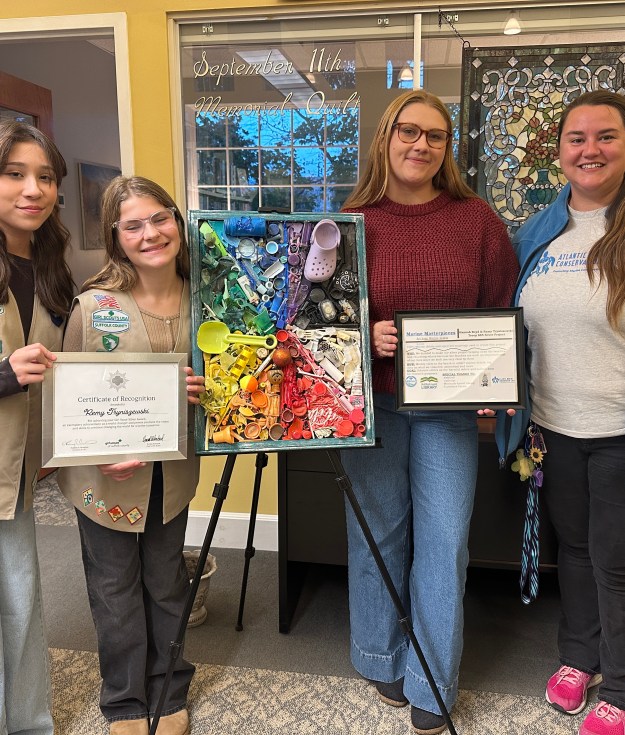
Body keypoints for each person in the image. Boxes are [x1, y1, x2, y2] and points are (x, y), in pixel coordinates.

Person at [339, 89, 519, 734]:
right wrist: (369, 337)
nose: (420, 145)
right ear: (385, 138)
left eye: (435, 137)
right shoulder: (351, 220)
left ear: (447, 149)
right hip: (373, 407)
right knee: (377, 536)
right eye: (408, 132)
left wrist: (495, 374)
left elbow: (500, 310)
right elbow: (319, 320)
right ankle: (379, 655)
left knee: (444, 542)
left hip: (446, 412)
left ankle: (431, 679)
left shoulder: (477, 222)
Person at [496, 89, 625, 735]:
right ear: (558, 153)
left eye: (605, 136)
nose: (590, 149)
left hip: (619, 431)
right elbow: (512, 328)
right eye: (576, 138)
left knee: (615, 557)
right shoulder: (537, 233)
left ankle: (620, 688)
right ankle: (580, 656)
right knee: (572, 549)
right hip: (552, 426)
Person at [57, 176, 204, 735]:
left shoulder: (206, 296)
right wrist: (95, 452)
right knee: (114, 588)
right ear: (116, 239)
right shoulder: (94, 308)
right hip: (107, 479)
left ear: (177, 220)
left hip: (174, 472)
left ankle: (169, 690)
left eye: (160, 218)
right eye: (133, 225)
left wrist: (204, 389)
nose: (151, 233)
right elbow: (64, 398)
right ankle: (123, 701)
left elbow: (235, 378)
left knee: (166, 581)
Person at [0, 120, 74, 733]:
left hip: (19, 470)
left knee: (21, 597)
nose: (33, 189)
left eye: (44, 177)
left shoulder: (51, 269)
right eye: (14, 174)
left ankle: (27, 721)